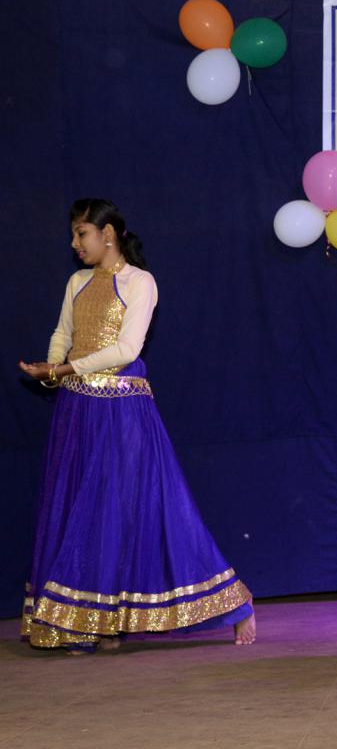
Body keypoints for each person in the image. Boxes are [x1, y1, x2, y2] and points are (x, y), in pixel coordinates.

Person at [18, 199, 255, 651]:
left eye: (81, 234)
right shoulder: (77, 282)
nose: (75, 244)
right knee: (78, 511)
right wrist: (51, 365)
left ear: (107, 234)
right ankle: (98, 621)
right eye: (74, 235)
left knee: (131, 510)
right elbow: (63, 333)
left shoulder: (139, 282)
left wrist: (63, 370)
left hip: (121, 412)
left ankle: (235, 604)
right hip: (76, 411)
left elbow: (127, 349)